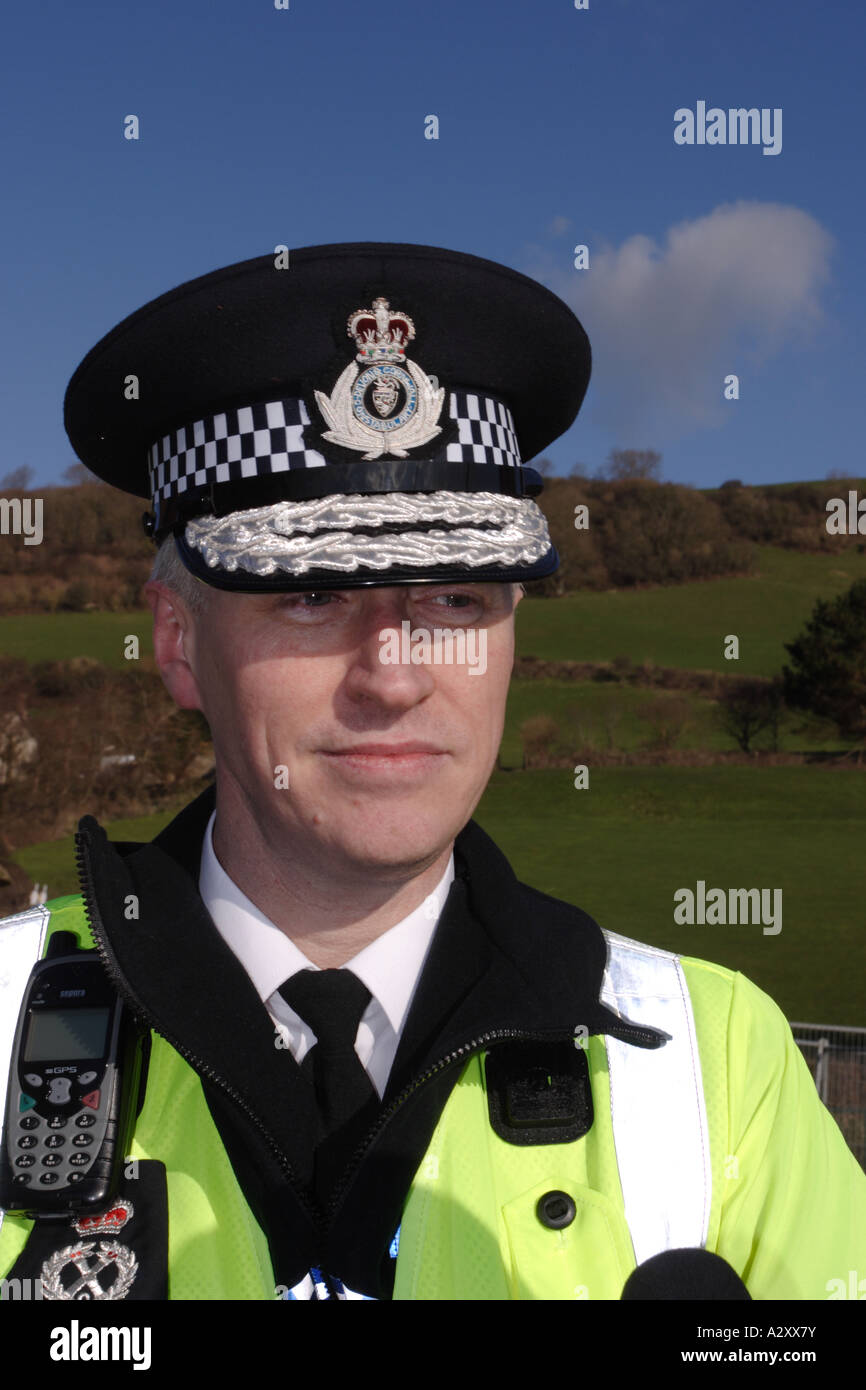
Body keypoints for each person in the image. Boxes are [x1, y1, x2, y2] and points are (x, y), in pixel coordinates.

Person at [0, 243, 863, 1301]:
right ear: (178, 644)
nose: (395, 677)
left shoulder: (716, 1063)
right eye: (311, 597)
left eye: (456, 599)